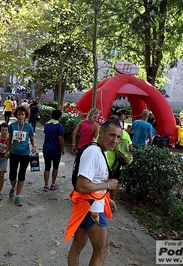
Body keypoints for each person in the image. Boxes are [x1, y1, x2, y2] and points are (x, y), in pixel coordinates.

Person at [66, 120, 121, 266]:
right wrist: (107, 185)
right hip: (92, 210)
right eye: (111, 135)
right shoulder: (93, 152)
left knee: (77, 247)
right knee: (101, 250)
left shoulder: (99, 151)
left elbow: (94, 182)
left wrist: (105, 197)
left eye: (118, 137)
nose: (115, 140)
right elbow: (82, 186)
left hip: (89, 206)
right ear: (101, 133)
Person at [6, 106, 36, 206]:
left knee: (21, 175)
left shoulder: (29, 127)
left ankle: (18, 196)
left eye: (22, 114)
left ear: (26, 115)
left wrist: (34, 146)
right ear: (16, 115)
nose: (20, 116)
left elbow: (31, 138)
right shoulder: (12, 126)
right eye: (19, 114)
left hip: (25, 154)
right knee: (12, 175)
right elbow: (9, 139)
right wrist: (7, 150)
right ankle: (13, 187)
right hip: (14, 153)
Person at [106, 115, 133, 199]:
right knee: (114, 184)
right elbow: (130, 147)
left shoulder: (106, 132)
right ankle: (111, 201)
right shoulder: (124, 133)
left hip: (105, 162)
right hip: (118, 165)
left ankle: (104, 201)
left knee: (103, 183)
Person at [42, 110, 64, 191]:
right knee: (55, 166)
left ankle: (46, 185)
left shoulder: (46, 125)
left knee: (47, 167)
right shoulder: (59, 126)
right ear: (59, 117)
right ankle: (53, 183)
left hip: (46, 148)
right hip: (56, 149)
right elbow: (60, 138)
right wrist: (63, 148)